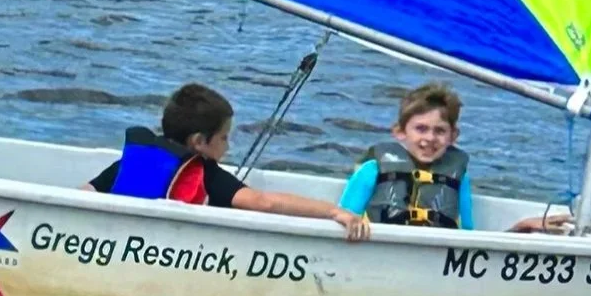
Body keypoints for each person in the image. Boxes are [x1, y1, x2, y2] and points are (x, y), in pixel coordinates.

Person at [92, 82, 369, 239]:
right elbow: (263, 203)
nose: (228, 145)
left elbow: (86, 194)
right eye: (224, 138)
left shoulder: (134, 161)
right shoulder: (205, 172)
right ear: (199, 142)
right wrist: (334, 212)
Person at [343, 83, 476, 229]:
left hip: (435, 247)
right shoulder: (372, 169)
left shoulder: (459, 176)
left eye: (440, 131)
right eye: (421, 129)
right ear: (400, 131)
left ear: (453, 136)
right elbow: (345, 215)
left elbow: (467, 228)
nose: (430, 138)